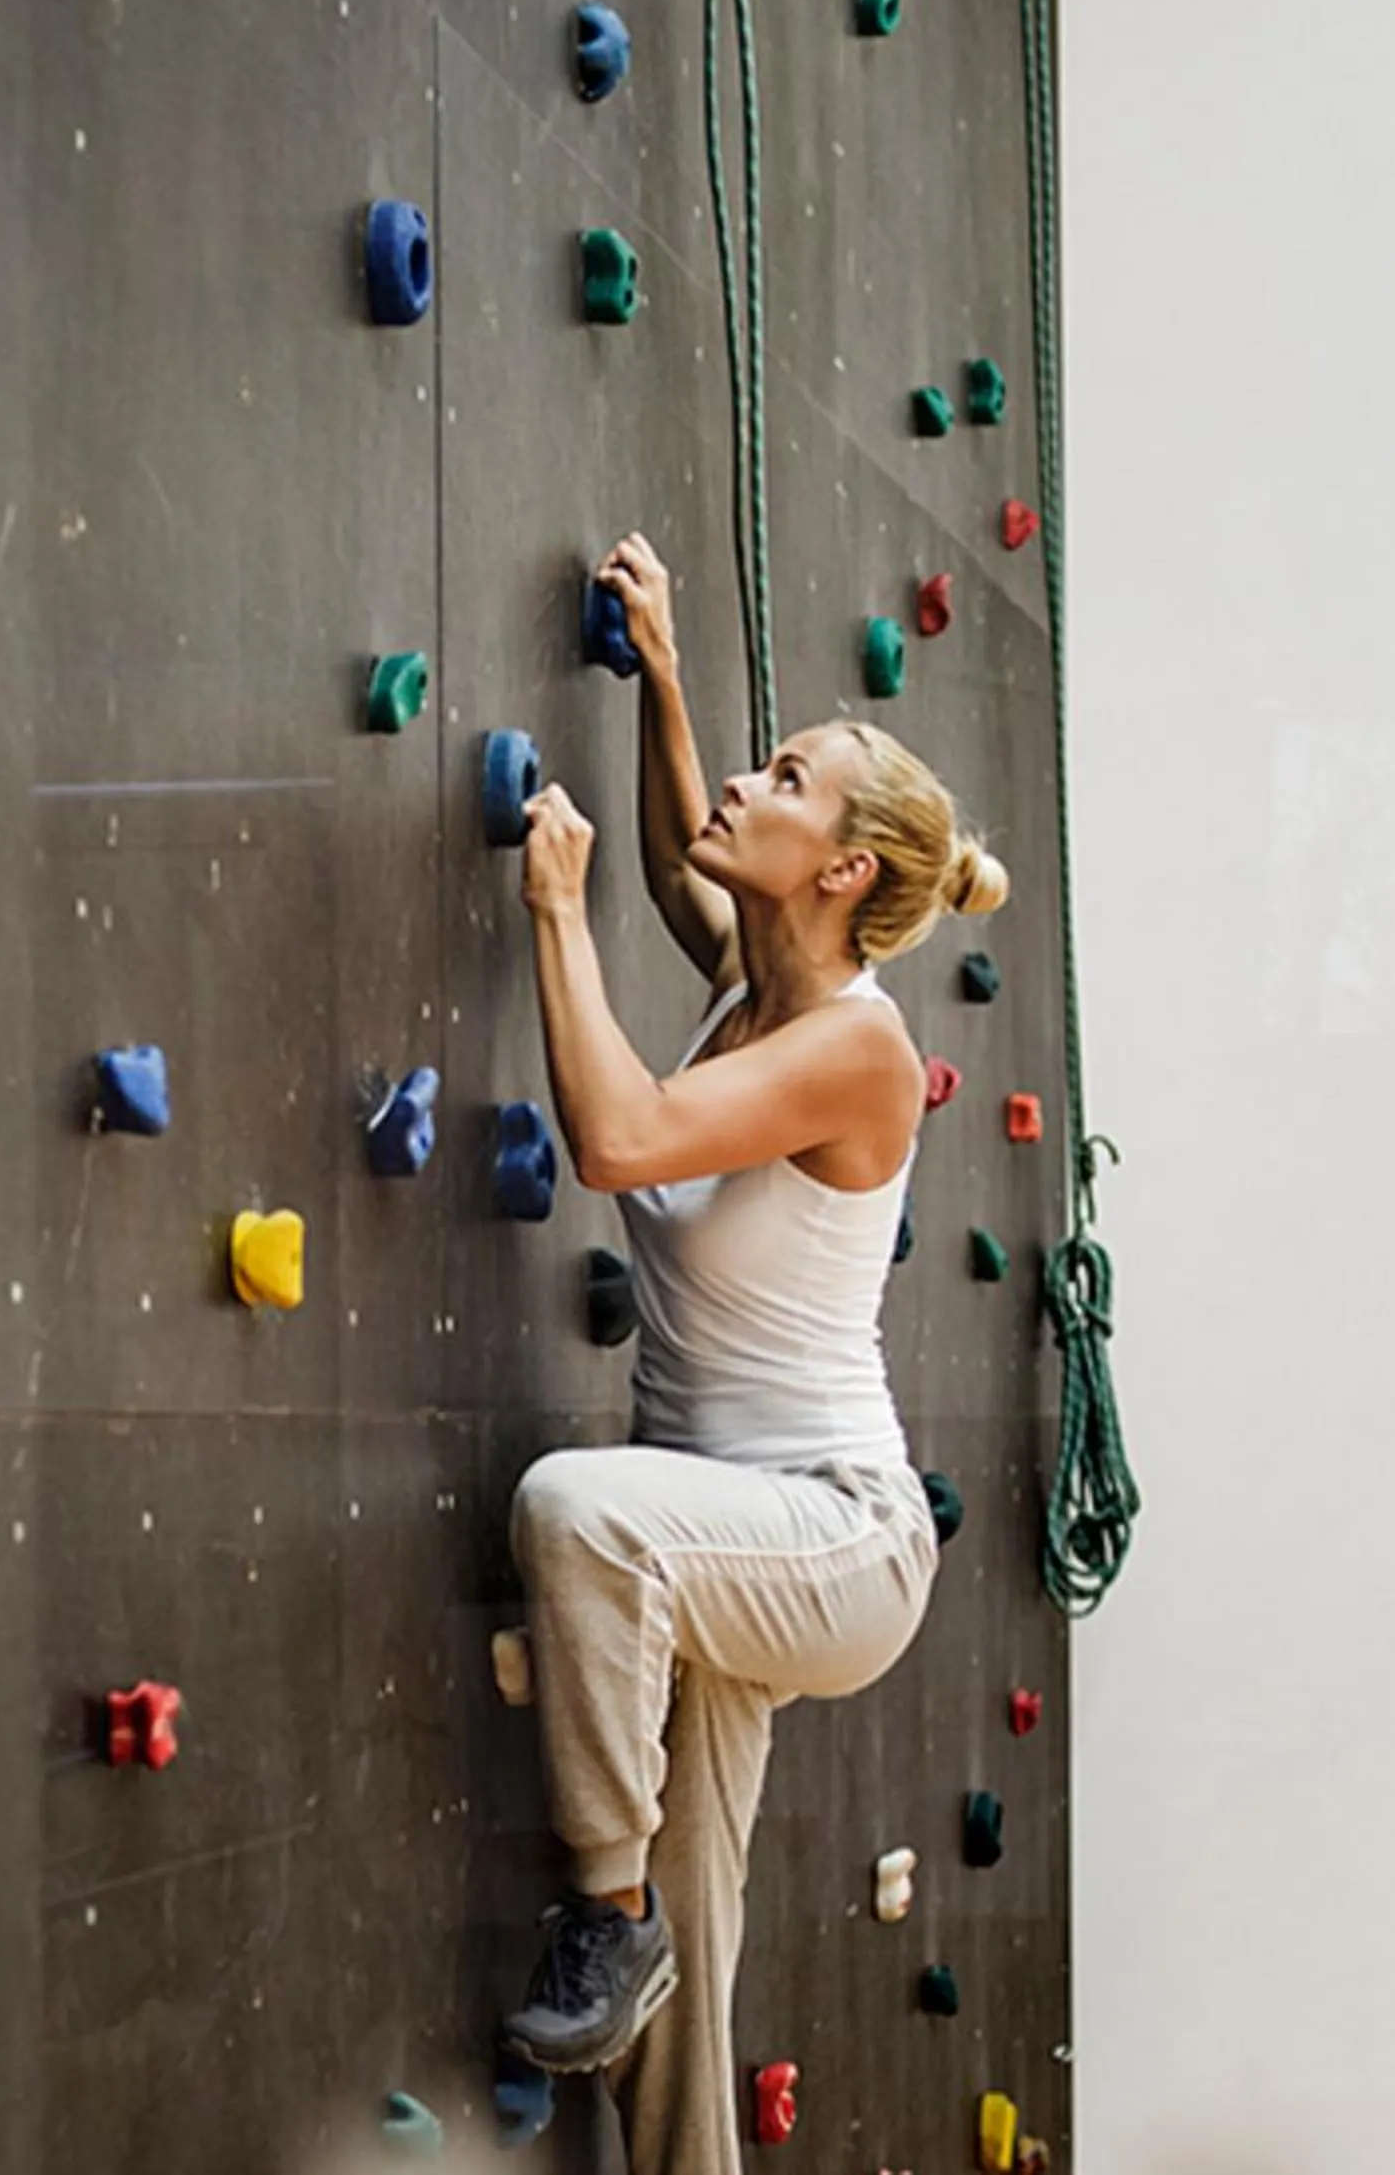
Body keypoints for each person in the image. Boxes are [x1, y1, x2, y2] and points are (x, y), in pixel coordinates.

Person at [497, 534, 1008, 2175]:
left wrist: (551, 921)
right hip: (723, 1537)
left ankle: (605, 1907)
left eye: (783, 777)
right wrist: (659, 674)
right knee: (692, 2008)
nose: (744, 778)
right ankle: (656, 1976)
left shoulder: (858, 1053)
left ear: (844, 868)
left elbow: (624, 1136)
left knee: (575, 1510)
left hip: (834, 1538)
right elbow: (677, 862)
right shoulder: (753, 988)